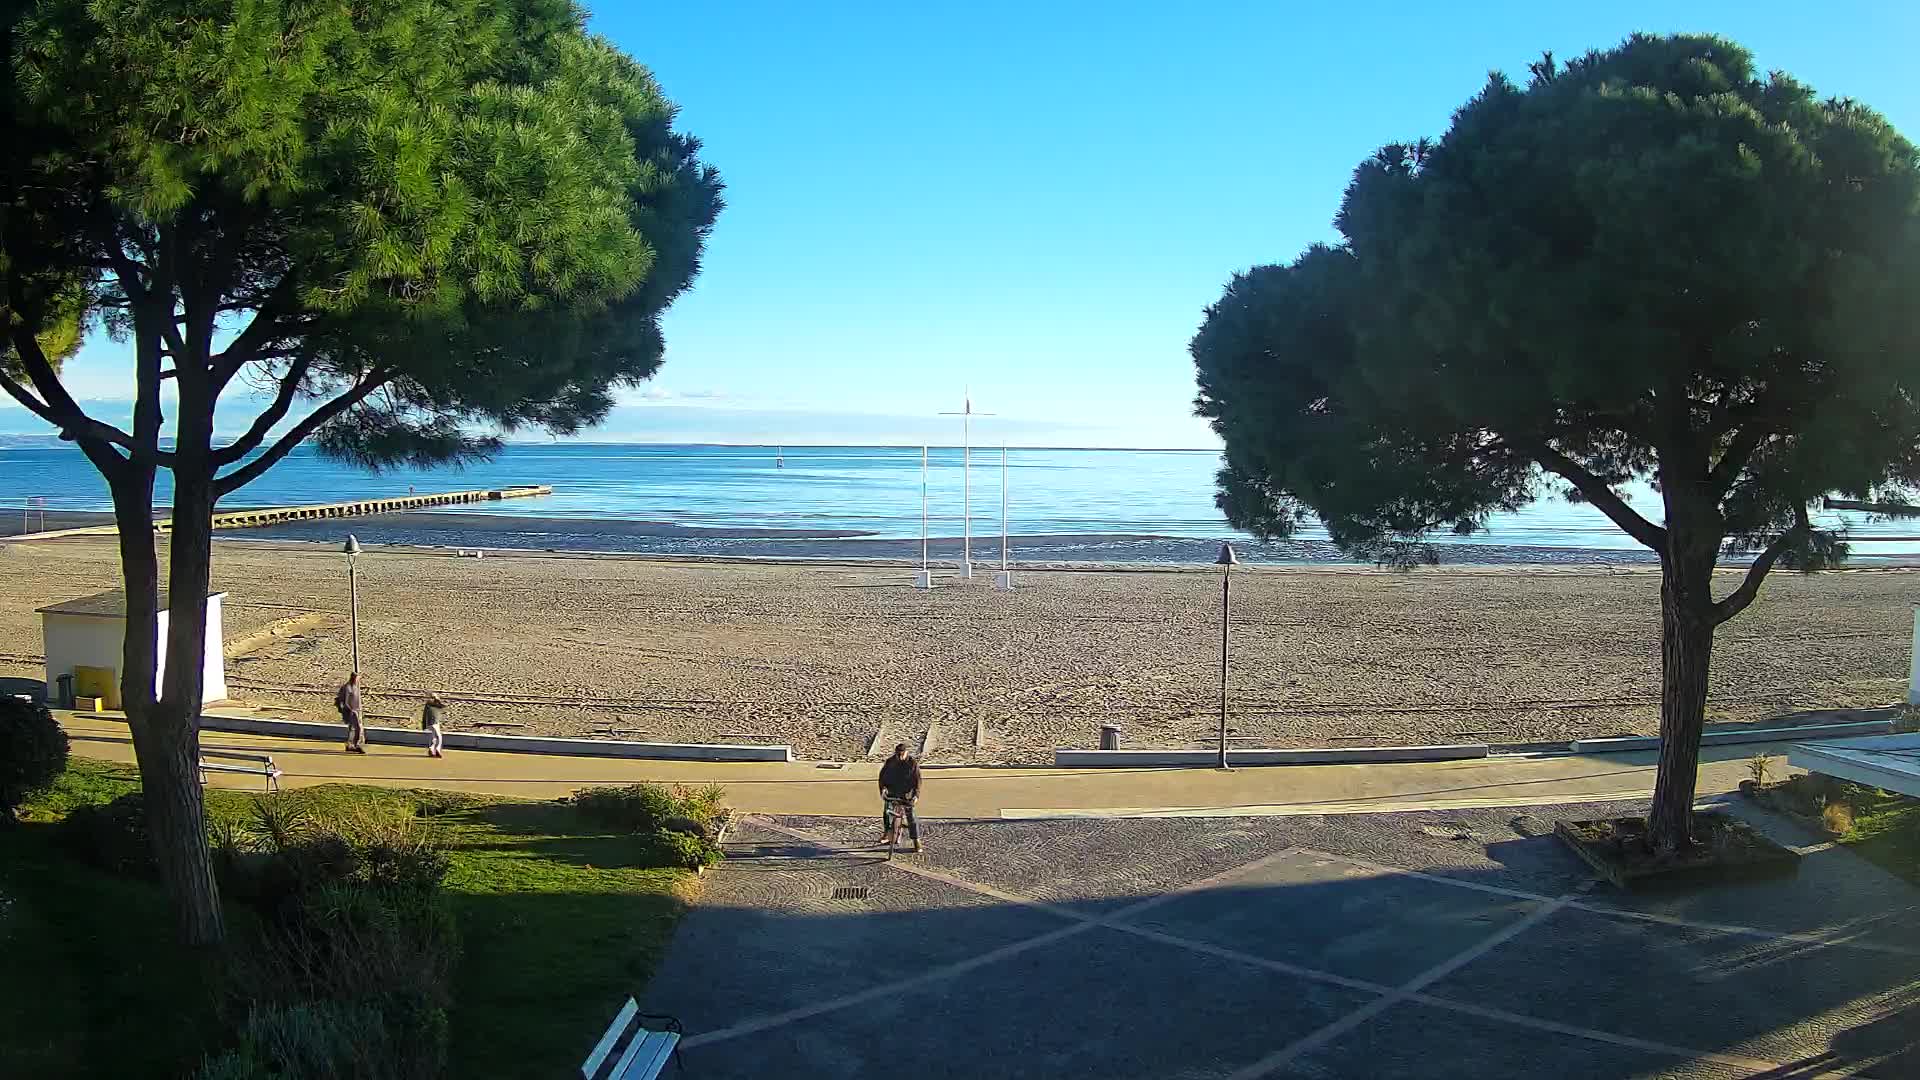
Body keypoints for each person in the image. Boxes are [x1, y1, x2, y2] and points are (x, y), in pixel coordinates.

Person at [877, 742, 922, 852]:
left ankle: (916, 840)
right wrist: (883, 789)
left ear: (906, 753)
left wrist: (916, 796)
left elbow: (918, 781)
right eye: (898, 754)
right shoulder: (890, 762)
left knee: (911, 817)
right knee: (887, 812)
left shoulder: (912, 763)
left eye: (902, 754)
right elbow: (882, 777)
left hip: (906, 794)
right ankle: (887, 832)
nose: (900, 756)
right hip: (892, 792)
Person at [335, 672, 365, 753]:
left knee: (352, 728)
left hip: (356, 710)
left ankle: (349, 745)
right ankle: (356, 745)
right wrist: (350, 710)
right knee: (358, 727)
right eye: (357, 678)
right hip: (351, 710)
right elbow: (346, 701)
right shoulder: (348, 687)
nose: (358, 680)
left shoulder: (355, 686)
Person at [421, 693, 447, 758]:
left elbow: (443, 706)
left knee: (434, 736)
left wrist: (438, 699)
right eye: (432, 697)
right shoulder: (430, 703)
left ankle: (432, 749)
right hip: (432, 722)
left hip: (435, 721)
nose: (433, 698)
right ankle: (437, 749)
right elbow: (425, 714)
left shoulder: (436, 703)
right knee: (438, 735)